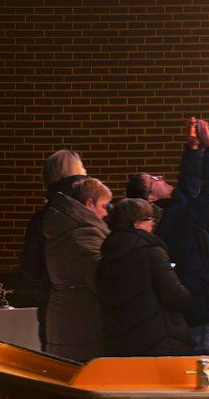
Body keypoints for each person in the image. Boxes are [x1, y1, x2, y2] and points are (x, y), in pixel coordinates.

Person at [127, 118, 209, 355]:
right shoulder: (173, 220)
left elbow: (186, 187)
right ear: (150, 199)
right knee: (204, 360)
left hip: (198, 297)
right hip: (200, 303)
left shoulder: (168, 213)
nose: (161, 177)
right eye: (154, 179)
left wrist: (193, 149)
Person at [97, 200, 193, 356]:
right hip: (157, 337)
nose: (152, 225)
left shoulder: (106, 255)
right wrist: (188, 296)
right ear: (136, 224)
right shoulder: (151, 251)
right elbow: (175, 296)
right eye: (149, 219)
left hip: (121, 339)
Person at [20, 148, 87, 347]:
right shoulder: (92, 211)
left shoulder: (42, 219)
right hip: (89, 305)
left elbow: (30, 269)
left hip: (51, 305)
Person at [41, 176, 111, 361]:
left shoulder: (64, 228)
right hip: (82, 325)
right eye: (104, 206)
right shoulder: (85, 234)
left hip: (63, 321)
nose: (105, 214)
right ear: (89, 203)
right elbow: (102, 282)